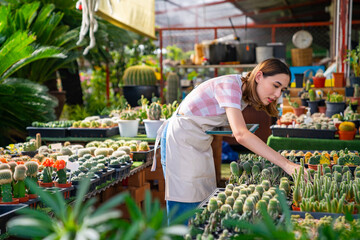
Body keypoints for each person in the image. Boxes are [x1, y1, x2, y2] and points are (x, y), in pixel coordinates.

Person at [151, 58, 302, 223]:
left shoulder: (243, 92)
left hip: (197, 141)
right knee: (185, 203)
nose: (278, 94)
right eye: (276, 85)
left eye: (282, 89)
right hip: (180, 140)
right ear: (259, 76)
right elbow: (241, 135)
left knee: (202, 198)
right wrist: (288, 165)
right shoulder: (231, 86)